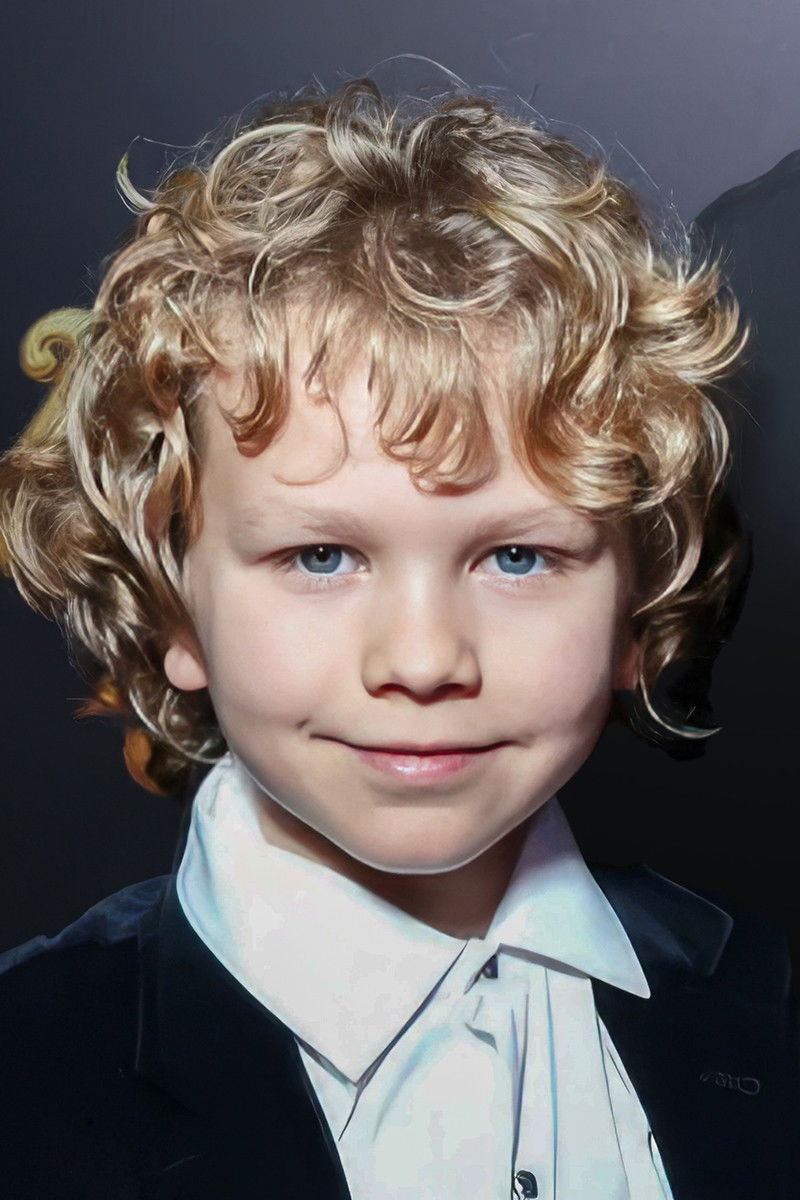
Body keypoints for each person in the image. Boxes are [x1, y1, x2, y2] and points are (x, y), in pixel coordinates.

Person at [0, 78, 796, 1200]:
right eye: (320, 557)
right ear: (176, 608)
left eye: (517, 557)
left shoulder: (763, 1002)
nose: (422, 662)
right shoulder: (26, 1073)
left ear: (637, 604)